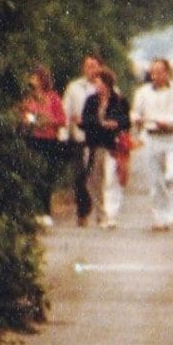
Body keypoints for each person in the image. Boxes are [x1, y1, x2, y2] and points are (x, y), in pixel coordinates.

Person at [131, 58, 173, 231]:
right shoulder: (143, 92)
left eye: (160, 72)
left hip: (171, 137)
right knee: (156, 180)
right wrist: (137, 120)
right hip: (152, 138)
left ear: (168, 72)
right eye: (153, 72)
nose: (156, 75)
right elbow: (136, 112)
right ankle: (160, 217)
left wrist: (167, 122)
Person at [80, 66, 130, 229]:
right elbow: (85, 121)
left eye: (98, 82)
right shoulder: (91, 101)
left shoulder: (119, 101)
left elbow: (126, 121)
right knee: (95, 181)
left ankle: (110, 214)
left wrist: (116, 124)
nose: (96, 85)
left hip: (113, 145)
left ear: (106, 83)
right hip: (95, 145)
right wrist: (101, 123)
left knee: (111, 180)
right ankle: (101, 213)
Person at [20, 64, 67, 228]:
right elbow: (22, 114)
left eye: (35, 77)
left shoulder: (52, 97)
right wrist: (32, 120)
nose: (32, 80)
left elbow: (62, 119)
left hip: (49, 140)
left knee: (47, 175)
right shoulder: (28, 98)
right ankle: (33, 211)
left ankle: (46, 211)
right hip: (32, 138)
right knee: (33, 175)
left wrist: (49, 121)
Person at [61, 54, 102, 225]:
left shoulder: (105, 87)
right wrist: (64, 134)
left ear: (100, 67)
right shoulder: (74, 87)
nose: (90, 69)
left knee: (94, 175)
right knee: (79, 174)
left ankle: (99, 209)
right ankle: (82, 211)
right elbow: (66, 111)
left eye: (93, 66)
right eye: (87, 66)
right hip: (78, 137)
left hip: (97, 138)